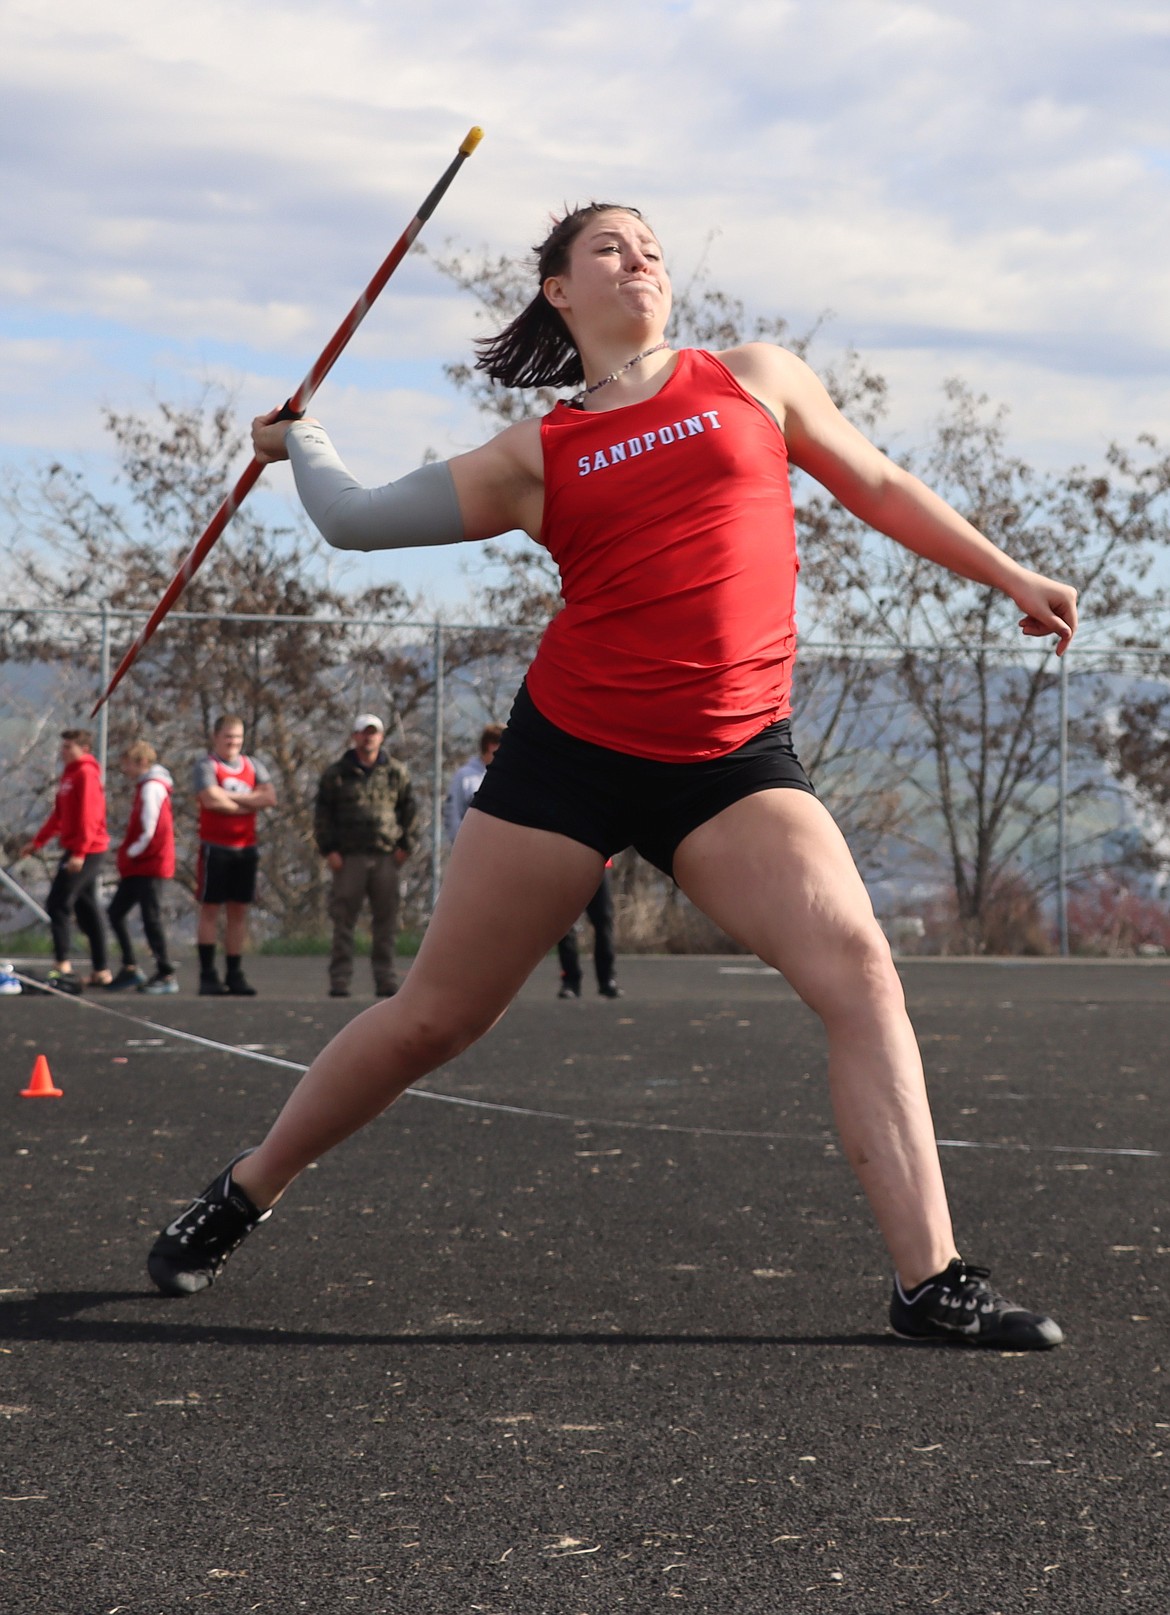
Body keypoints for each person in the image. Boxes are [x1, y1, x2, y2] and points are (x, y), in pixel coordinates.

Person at [148, 203, 1078, 1350]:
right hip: (572, 759)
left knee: (862, 974)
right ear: (559, 291)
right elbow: (355, 522)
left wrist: (1010, 572)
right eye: (609, 249)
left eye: (651, 247)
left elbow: (877, 483)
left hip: (732, 761)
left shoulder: (755, 379)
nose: (640, 259)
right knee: (433, 1020)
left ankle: (929, 1280)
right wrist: (303, 442)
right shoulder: (534, 456)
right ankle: (243, 1188)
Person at [314, 714, 417, 998]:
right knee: (343, 920)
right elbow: (322, 814)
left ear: (381, 737)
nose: (368, 738)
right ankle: (340, 980)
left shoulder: (396, 772)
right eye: (363, 733)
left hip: (385, 857)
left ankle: (385, 979)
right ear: (355, 736)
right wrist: (329, 850)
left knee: (385, 922)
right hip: (349, 859)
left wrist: (405, 846)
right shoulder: (336, 774)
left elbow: (410, 811)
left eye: (374, 733)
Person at [19, 728, 110, 990]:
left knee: (58, 902)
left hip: (89, 849)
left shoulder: (86, 774)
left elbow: (89, 817)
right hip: (74, 847)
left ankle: (62, 964)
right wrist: (37, 842)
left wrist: (80, 853)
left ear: (84, 749)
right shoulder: (69, 775)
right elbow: (59, 814)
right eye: (63, 747)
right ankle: (101, 969)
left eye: (69, 747)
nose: (63, 751)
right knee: (86, 908)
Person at [194, 714, 276, 997]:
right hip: (215, 848)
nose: (233, 743)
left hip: (246, 848)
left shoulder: (252, 765)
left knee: (238, 911)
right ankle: (207, 973)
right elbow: (210, 798)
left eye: (238, 738)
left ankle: (234, 972)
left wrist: (233, 801)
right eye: (228, 737)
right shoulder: (207, 765)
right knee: (210, 909)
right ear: (216, 737)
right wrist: (247, 803)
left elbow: (268, 797)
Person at [106, 741, 178, 994]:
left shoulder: (151, 789)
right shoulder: (144, 788)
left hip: (150, 864)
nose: (124, 769)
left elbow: (151, 828)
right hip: (140, 865)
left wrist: (131, 851)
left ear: (141, 763)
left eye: (127, 763)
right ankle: (129, 966)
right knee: (116, 912)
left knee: (151, 918)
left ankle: (166, 972)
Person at [558, 865, 621, 999]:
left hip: (600, 858)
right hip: (566, 861)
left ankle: (607, 979)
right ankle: (570, 981)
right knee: (566, 921)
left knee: (604, 918)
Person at [443, 723, 504, 844]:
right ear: (492, 746)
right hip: (472, 848)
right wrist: (462, 844)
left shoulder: (505, 777)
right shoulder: (465, 776)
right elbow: (453, 813)